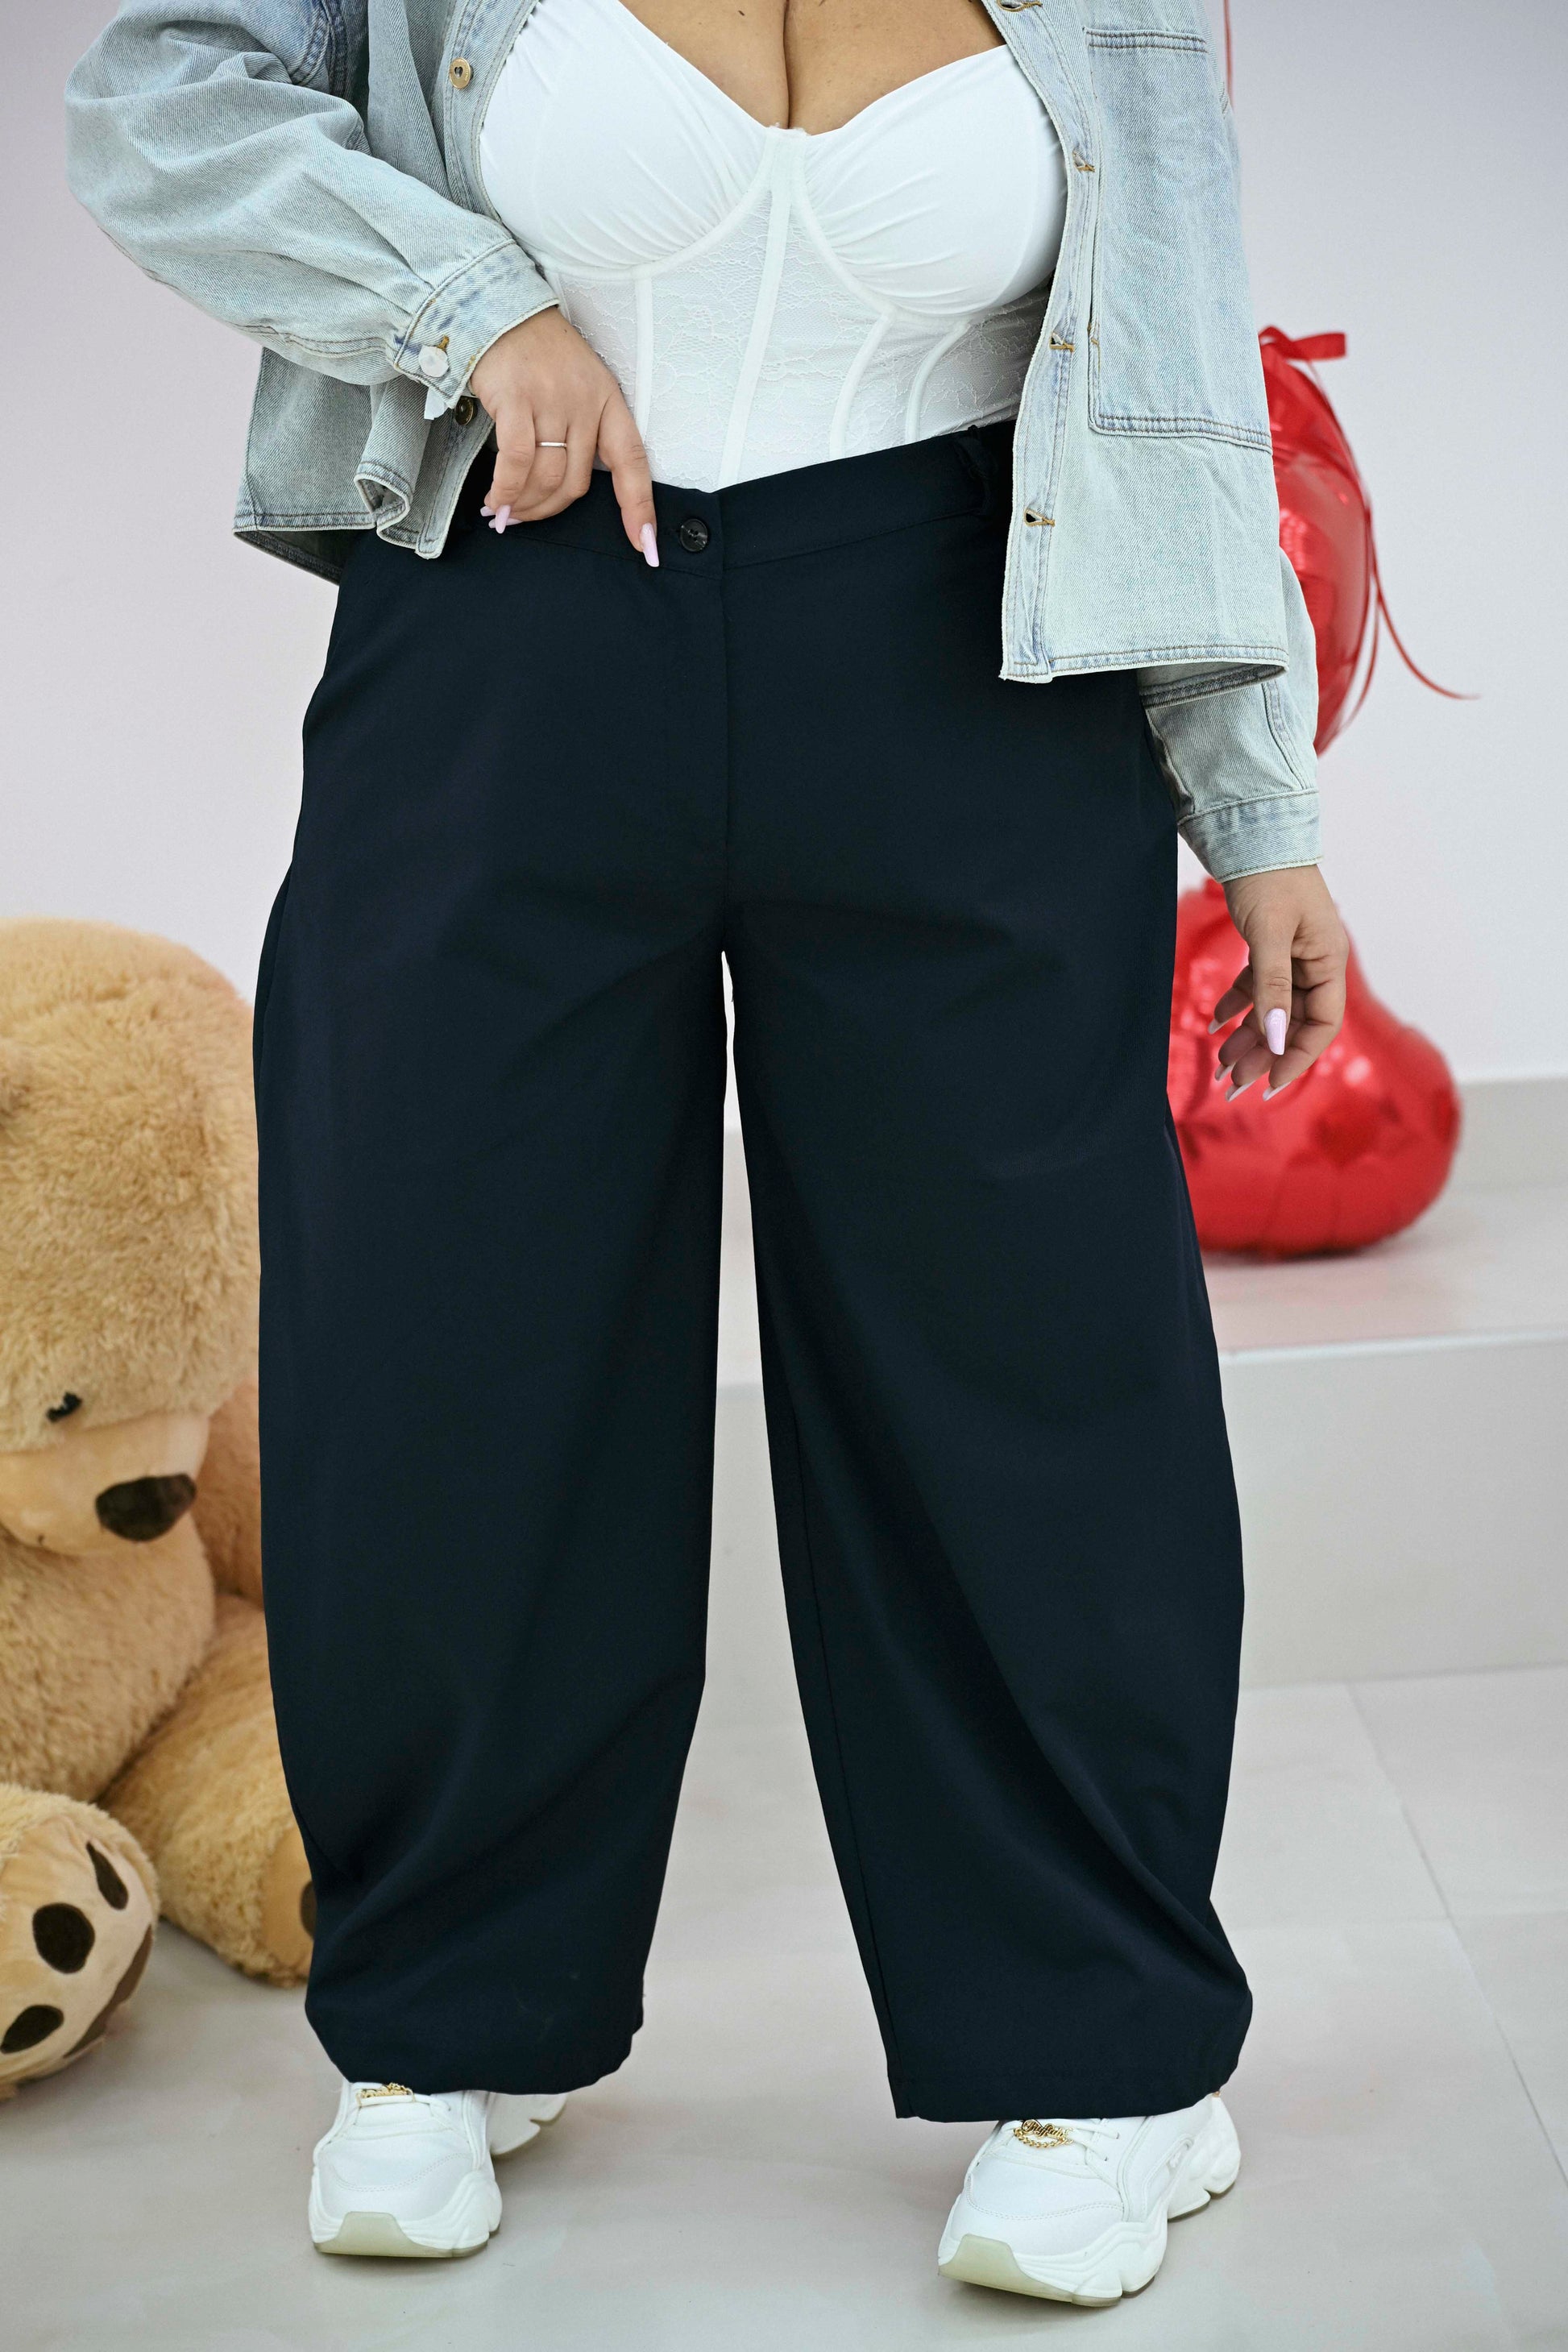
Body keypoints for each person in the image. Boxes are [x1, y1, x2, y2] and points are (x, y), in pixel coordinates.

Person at [66, 0, 1348, 2307]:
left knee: (1034, 1373)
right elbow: (155, 94)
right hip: (510, 630)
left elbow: (1171, 362)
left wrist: (1253, 805)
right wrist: (474, 307)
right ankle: (445, 2020)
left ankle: (1108, 2055)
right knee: (446, 1336)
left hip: (973, 679)